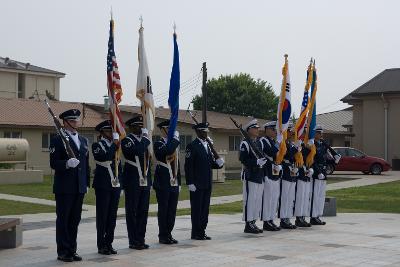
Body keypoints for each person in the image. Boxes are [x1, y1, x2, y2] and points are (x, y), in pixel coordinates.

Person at [49, 109, 89, 262]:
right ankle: (63, 251)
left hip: (79, 187)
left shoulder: (84, 140)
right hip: (64, 187)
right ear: (64, 123)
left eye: (76, 120)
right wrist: (66, 163)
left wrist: (86, 183)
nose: (74, 123)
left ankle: (72, 249)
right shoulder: (58, 139)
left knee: (74, 220)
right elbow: (53, 163)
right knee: (64, 220)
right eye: (71, 121)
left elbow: (85, 165)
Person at [185, 122, 224, 240]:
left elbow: (215, 164)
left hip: (207, 183)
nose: (206, 133)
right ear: (198, 132)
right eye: (203, 131)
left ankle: (202, 231)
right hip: (196, 184)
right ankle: (195, 233)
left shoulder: (207, 146)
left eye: (206, 131)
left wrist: (213, 150)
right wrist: (190, 182)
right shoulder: (192, 146)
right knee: (197, 209)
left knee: (205, 210)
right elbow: (188, 166)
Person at [121, 115, 152, 250]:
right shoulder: (127, 140)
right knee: (132, 211)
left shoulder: (144, 140)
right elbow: (136, 151)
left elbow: (147, 161)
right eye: (137, 126)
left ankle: (141, 239)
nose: (140, 127)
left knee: (143, 211)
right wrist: (145, 139)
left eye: (141, 125)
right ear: (131, 127)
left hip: (144, 180)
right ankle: (133, 240)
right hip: (132, 180)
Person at [92, 120, 121, 255]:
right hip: (103, 185)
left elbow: (118, 166)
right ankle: (101, 245)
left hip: (115, 184)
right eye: (109, 131)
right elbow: (104, 157)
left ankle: (109, 243)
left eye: (112, 130)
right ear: (102, 132)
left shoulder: (115, 147)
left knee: (112, 216)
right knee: (102, 216)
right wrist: (114, 145)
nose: (112, 133)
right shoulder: (97, 145)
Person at [153, 120, 181, 245]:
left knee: (172, 210)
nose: (171, 131)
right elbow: (167, 151)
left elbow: (177, 164)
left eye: (172, 129)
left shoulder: (174, 145)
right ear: (162, 130)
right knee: (164, 209)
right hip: (163, 182)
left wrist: (179, 182)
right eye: (168, 129)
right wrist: (175, 139)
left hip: (174, 181)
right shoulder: (158, 144)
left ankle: (169, 233)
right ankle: (162, 235)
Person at [310, 125, 341, 225]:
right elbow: (312, 160)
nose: (321, 134)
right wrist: (318, 172)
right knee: (315, 196)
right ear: (315, 133)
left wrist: (335, 160)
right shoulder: (312, 144)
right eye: (319, 133)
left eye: (321, 133)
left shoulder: (323, 144)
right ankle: (313, 217)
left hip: (323, 172)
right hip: (316, 173)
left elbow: (326, 158)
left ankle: (318, 215)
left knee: (320, 196)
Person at [239, 119, 266, 234]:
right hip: (250, 175)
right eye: (255, 128)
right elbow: (243, 159)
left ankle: (253, 221)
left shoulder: (258, 142)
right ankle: (248, 224)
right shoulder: (245, 143)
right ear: (249, 130)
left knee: (257, 200)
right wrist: (256, 162)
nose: (257, 130)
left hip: (259, 175)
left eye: (258, 128)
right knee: (250, 200)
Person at [260, 121, 282, 231]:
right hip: (267, 172)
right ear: (267, 130)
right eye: (273, 130)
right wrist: (278, 144)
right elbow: (270, 152)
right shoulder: (263, 141)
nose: (275, 132)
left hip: (274, 172)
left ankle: (271, 219)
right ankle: (266, 221)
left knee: (274, 199)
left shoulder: (272, 141)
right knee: (268, 198)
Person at [278, 124, 298, 229]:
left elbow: (293, 158)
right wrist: (295, 149)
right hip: (285, 171)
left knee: (290, 197)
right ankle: (283, 219)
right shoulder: (283, 143)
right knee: (285, 197)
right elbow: (288, 155)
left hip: (291, 171)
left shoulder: (289, 143)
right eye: (290, 131)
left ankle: (287, 217)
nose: (292, 134)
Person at [294, 132, 313, 228]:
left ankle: (303, 217)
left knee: (305, 197)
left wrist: (310, 169)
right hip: (300, 174)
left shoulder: (307, 147)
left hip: (306, 174)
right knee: (300, 197)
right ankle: (298, 218)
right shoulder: (297, 145)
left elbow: (310, 159)